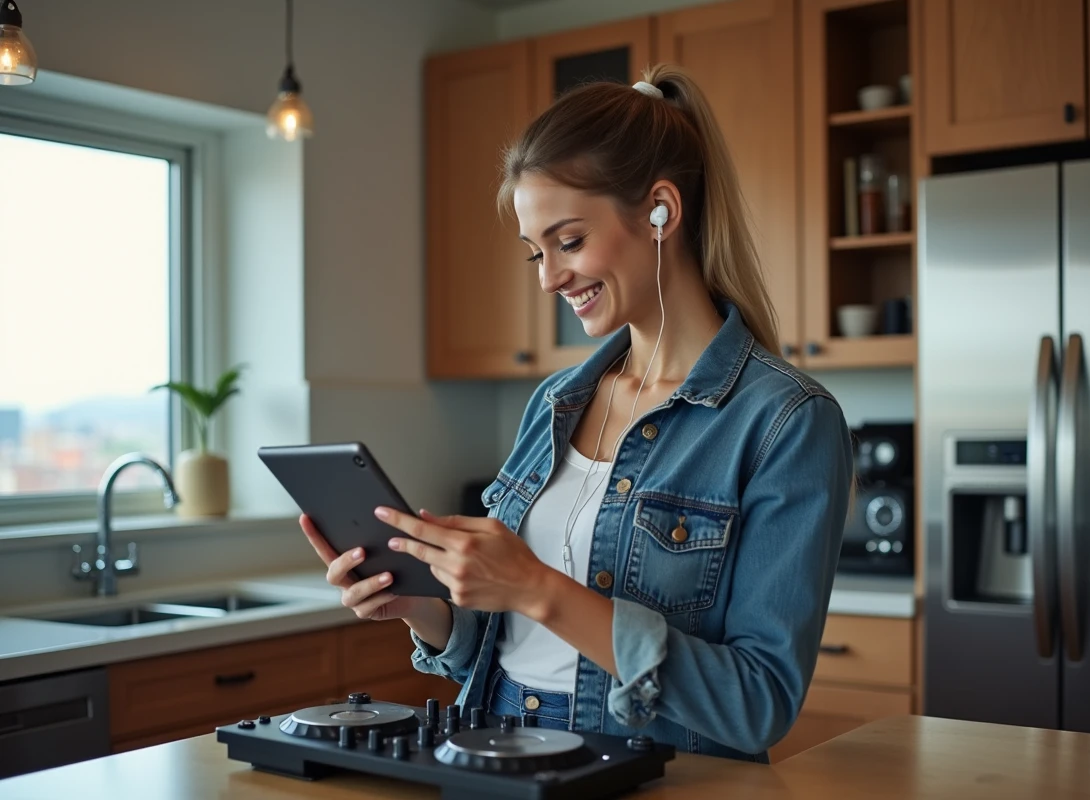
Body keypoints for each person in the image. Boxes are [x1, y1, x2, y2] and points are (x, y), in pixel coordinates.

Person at [301, 64, 853, 763]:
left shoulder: (785, 421)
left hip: (651, 775)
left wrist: (537, 587)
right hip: (495, 752)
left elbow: (757, 704)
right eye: (536, 252)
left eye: (568, 241)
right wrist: (422, 609)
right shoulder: (557, 400)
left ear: (661, 210)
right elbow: (504, 643)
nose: (548, 278)